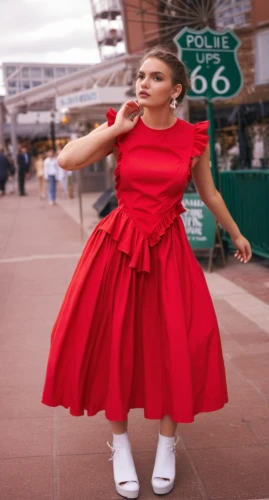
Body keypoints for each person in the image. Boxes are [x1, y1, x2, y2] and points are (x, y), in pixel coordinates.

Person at [42, 47, 252, 498]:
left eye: (155, 77)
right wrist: (115, 129)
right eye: (140, 75)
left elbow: (209, 193)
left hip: (167, 249)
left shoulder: (192, 137)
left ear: (174, 90)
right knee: (113, 340)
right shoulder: (122, 126)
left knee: (173, 341)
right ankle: (119, 444)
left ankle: (166, 444)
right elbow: (68, 160)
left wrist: (235, 233)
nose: (143, 83)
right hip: (117, 246)